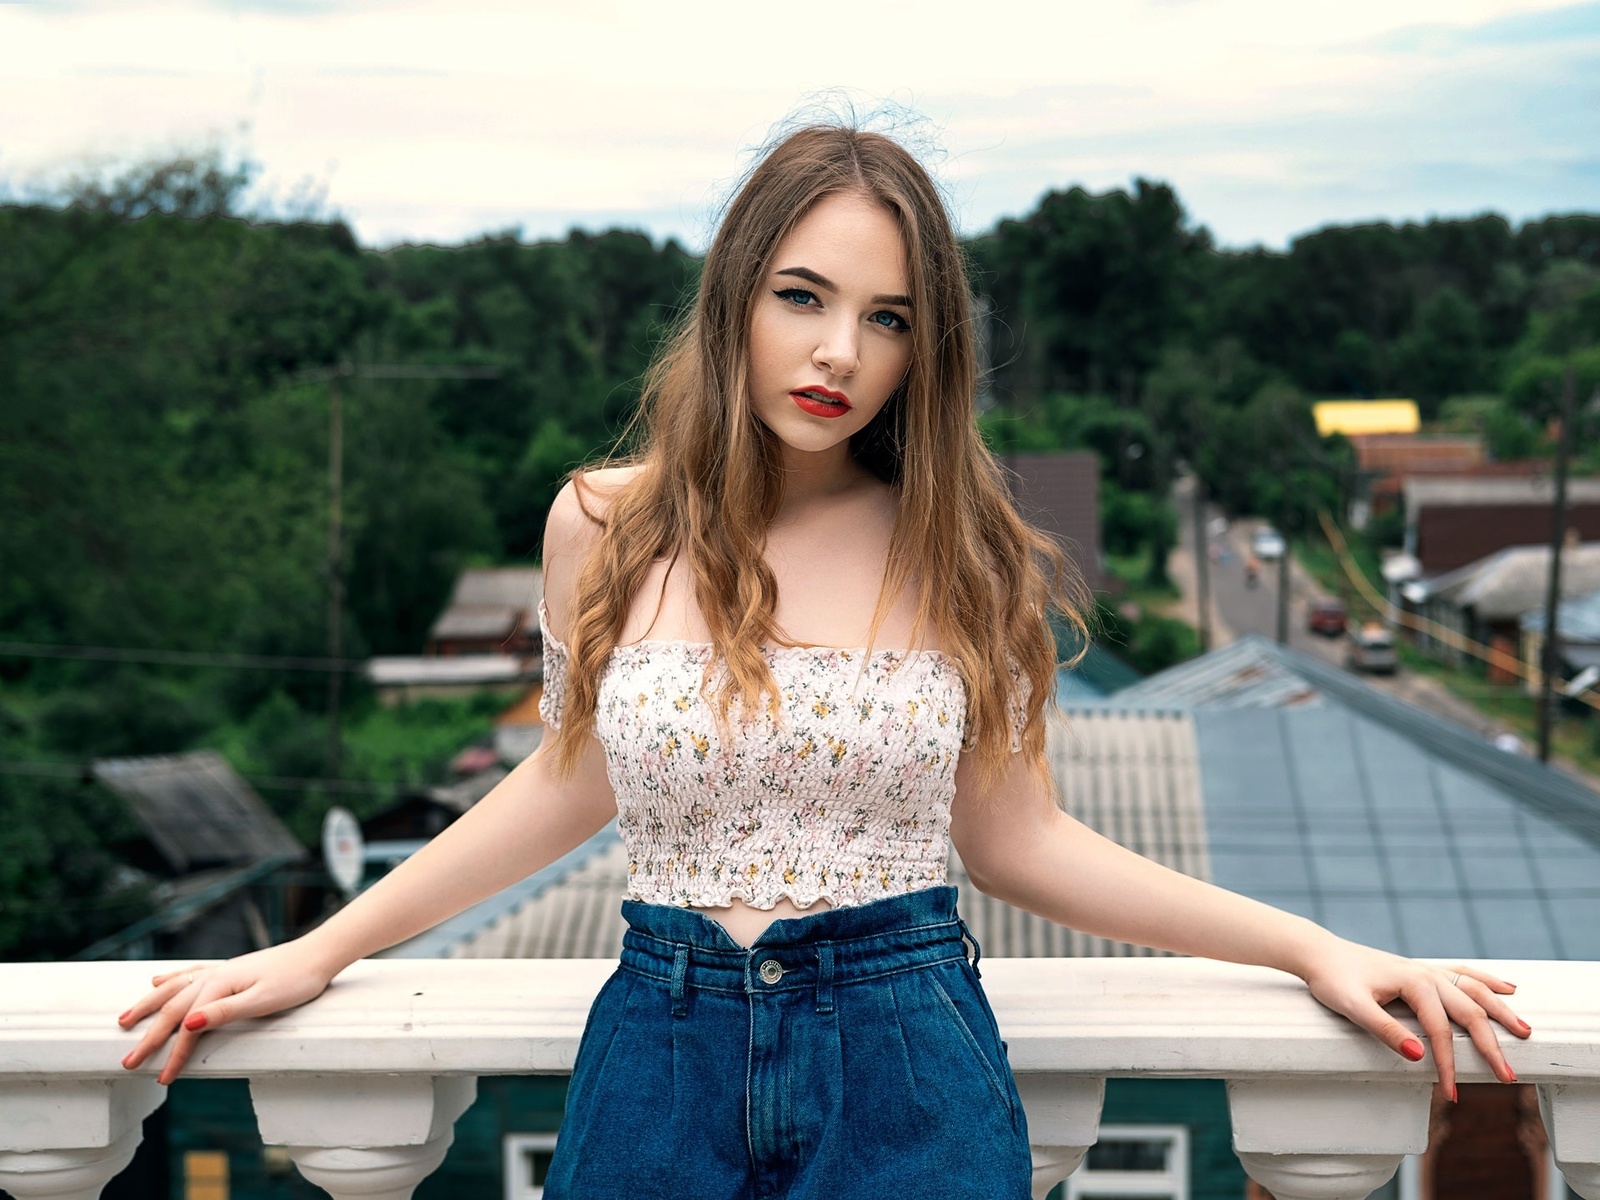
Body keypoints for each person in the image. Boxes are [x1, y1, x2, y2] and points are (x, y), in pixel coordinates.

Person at [116, 123, 1529, 1197]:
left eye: (889, 317)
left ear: (929, 349)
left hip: (907, 1053)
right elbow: (564, 785)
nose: (839, 350)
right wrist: (318, 947)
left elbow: (1020, 841)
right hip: (656, 1058)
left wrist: (1311, 945)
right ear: (738, 295)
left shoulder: (964, 551)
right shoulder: (599, 524)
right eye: (804, 295)